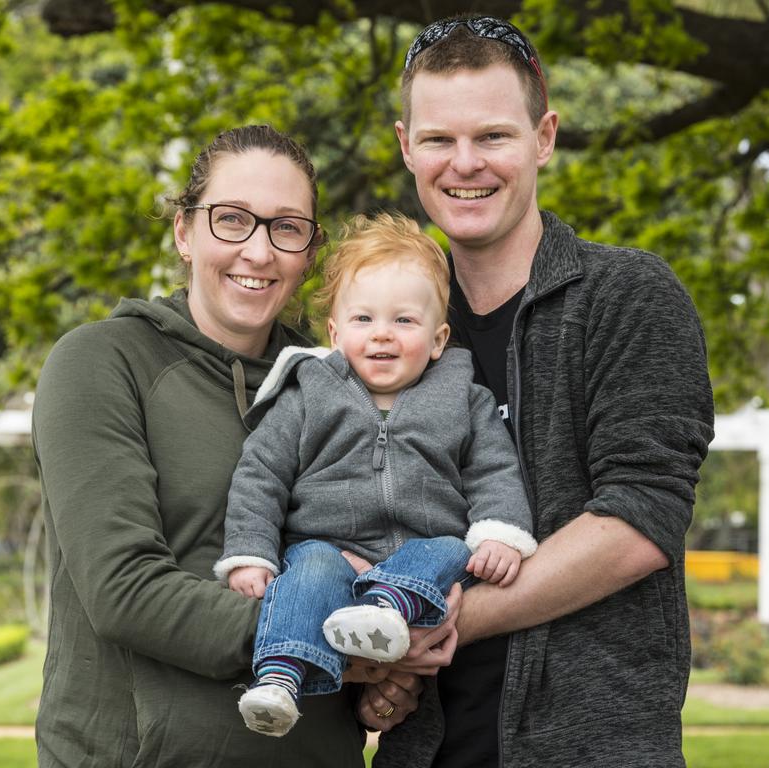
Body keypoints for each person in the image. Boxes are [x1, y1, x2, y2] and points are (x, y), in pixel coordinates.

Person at [370, 16, 716, 768]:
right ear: (406, 147)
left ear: (544, 137)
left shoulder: (627, 296)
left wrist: (438, 621)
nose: (465, 164)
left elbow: (640, 521)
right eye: (438, 140)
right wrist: (371, 668)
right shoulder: (388, 329)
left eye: (492, 135)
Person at [31, 125, 419, 767]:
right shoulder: (103, 362)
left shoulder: (340, 384)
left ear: (308, 251)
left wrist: (389, 677)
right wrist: (328, 647)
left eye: (287, 228)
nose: (259, 252)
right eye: (232, 220)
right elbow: (122, 589)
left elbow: (370, 549)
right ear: (185, 232)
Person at [213, 212, 536, 738]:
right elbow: (260, 473)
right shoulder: (307, 395)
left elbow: (495, 470)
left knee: (454, 549)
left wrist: (500, 532)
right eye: (364, 320)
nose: (382, 334)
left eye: (404, 321)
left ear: (438, 338)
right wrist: (250, 551)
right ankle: (278, 678)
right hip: (328, 544)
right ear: (337, 333)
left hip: (423, 552)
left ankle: (387, 607)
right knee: (308, 574)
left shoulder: (464, 398)